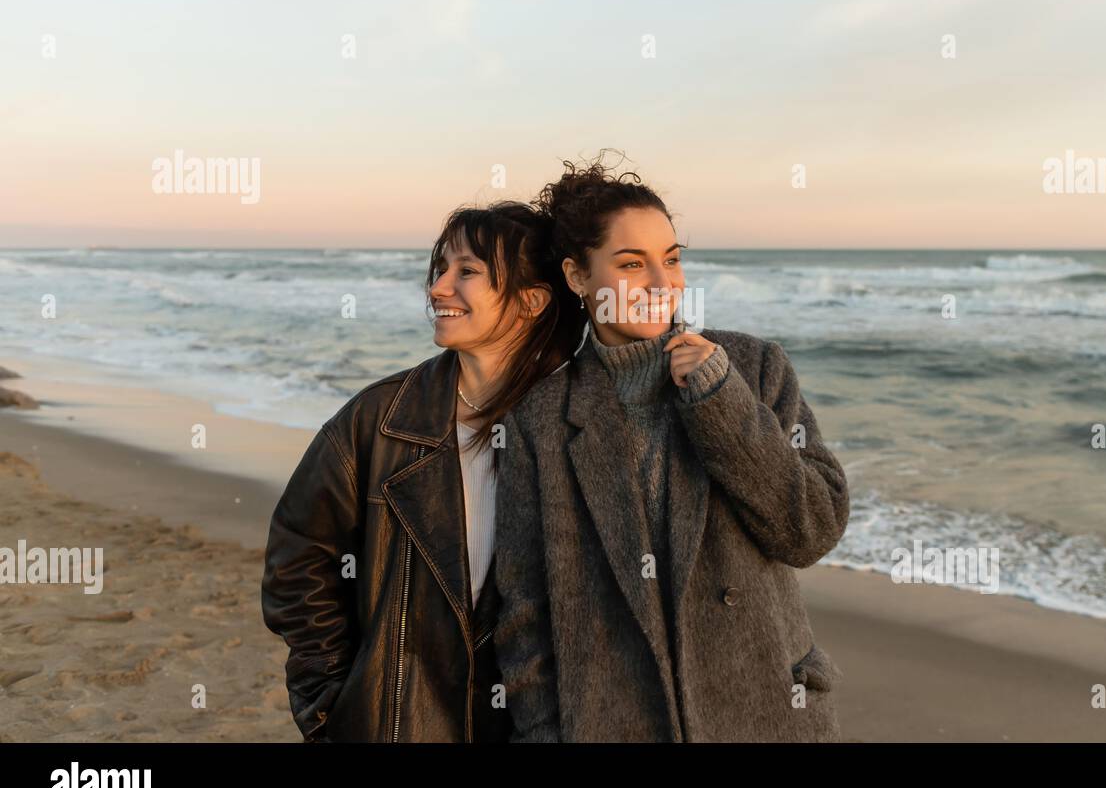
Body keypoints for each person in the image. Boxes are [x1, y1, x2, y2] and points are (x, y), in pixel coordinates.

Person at [493, 157, 851, 741]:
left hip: (766, 713)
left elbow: (811, 528)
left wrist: (721, 401)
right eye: (632, 264)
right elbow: (525, 609)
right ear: (578, 277)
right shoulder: (541, 418)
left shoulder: (754, 369)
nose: (663, 284)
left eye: (673, 259)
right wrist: (543, 731)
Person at [261, 201, 583, 741]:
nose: (437, 289)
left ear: (532, 301)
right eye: (441, 270)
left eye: (467, 272)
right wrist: (333, 704)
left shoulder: (577, 430)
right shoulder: (379, 420)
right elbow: (298, 558)